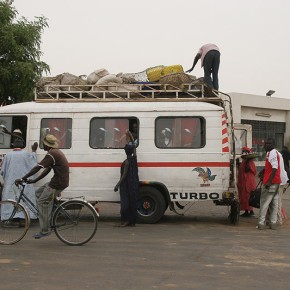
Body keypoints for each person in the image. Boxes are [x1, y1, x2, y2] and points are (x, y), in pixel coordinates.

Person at [15, 134, 69, 239]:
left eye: (43, 144)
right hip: (58, 181)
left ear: (46, 145)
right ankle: (52, 210)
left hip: (57, 183)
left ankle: (45, 230)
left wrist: (23, 178)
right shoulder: (54, 152)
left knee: (41, 202)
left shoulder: (52, 154)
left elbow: (38, 167)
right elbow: (47, 169)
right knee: (38, 193)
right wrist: (34, 180)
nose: (42, 146)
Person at [0, 139, 38, 220]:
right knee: (23, 200)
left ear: (13, 145)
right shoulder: (27, 154)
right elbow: (34, 165)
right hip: (23, 182)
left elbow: (3, 171)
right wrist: (34, 151)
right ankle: (24, 217)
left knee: (11, 199)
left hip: (11, 183)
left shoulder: (8, 155)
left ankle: (10, 217)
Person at [114, 131, 139, 227]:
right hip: (132, 185)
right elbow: (134, 148)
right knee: (131, 202)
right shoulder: (134, 159)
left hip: (126, 186)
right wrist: (131, 137)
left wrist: (117, 185)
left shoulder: (127, 162)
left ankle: (126, 220)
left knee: (125, 204)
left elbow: (124, 176)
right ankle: (131, 220)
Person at [257, 138, 281, 230]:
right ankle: (273, 223)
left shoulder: (272, 153)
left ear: (273, 144)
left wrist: (269, 182)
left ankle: (261, 223)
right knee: (274, 203)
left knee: (264, 203)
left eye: (269, 144)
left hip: (270, 183)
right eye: (266, 143)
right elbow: (272, 167)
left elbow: (275, 167)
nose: (267, 145)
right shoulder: (271, 153)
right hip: (276, 182)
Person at [237, 147, 257, 217]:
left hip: (248, 181)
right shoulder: (244, 161)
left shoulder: (250, 162)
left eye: (245, 151)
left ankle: (250, 211)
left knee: (248, 195)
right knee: (244, 196)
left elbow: (251, 170)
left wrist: (248, 162)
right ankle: (246, 211)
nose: (243, 152)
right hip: (244, 180)